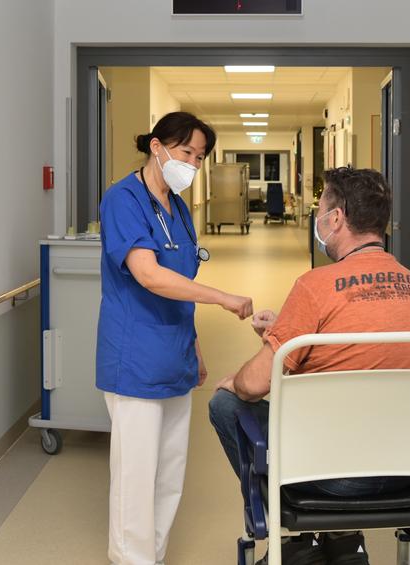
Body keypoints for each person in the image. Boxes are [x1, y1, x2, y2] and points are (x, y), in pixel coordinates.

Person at [209, 167, 410, 565]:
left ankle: (294, 536)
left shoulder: (314, 285)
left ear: (336, 219)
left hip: (333, 477)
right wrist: (283, 333)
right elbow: (365, 351)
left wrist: (238, 382)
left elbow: (254, 385)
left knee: (226, 403)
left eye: (321, 210)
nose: (319, 218)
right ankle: (344, 539)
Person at [97, 111, 253, 565]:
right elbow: (149, 276)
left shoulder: (179, 209)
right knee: (135, 474)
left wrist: (196, 346)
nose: (192, 164)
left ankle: (154, 555)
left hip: (175, 355)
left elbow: (180, 285)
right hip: (136, 356)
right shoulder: (123, 199)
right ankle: (132, 560)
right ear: (157, 147)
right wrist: (222, 297)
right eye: (186, 152)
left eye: (200, 157)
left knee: (169, 474)